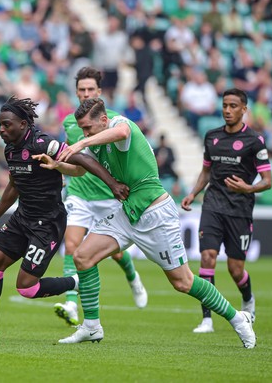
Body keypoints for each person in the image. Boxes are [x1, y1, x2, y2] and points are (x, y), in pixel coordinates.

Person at [34, 97, 256, 348]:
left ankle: (237, 318)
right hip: (128, 212)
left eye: (88, 128)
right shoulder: (94, 142)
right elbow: (80, 170)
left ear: (103, 119)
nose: (84, 132)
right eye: (82, 129)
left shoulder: (120, 124)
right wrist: (58, 165)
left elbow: (122, 131)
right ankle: (91, 327)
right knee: (82, 257)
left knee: (182, 282)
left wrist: (83, 142)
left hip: (155, 213)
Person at [0, 96, 124, 342]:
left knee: (26, 288)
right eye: (0, 124)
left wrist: (113, 184)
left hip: (48, 223)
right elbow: (14, 184)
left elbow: (83, 160)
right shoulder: (10, 148)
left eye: (7, 124)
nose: (1, 129)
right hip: (22, 218)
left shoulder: (44, 143)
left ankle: (75, 283)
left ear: (23, 124)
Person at [54, 66, 148, 327]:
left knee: (115, 254)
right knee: (72, 245)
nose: (85, 94)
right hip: (80, 192)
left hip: (109, 195)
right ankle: (72, 303)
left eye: (90, 90)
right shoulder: (70, 122)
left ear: (99, 92)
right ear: (76, 92)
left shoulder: (114, 120)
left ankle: (132, 276)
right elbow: (74, 159)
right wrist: (59, 168)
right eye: (81, 90)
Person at [181, 88, 272, 334]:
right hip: (212, 206)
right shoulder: (212, 137)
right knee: (208, 257)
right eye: (225, 105)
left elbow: (267, 181)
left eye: (233, 106)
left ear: (244, 109)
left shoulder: (255, 141)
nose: (227, 110)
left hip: (240, 211)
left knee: (235, 269)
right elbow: (207, 172)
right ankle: (207, 319)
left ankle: (248, 300)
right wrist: (193, 193)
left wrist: (246, 188)